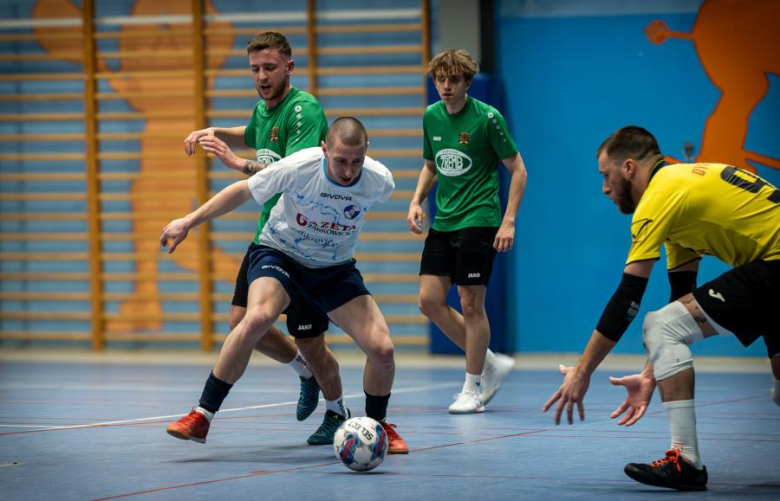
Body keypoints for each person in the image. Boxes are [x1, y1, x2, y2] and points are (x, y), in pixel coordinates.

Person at [543, 126, 780, 491]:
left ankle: (684, 461)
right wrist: (652, 372)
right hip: (771, 261)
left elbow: (629, 297)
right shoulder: (679, 193)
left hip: (775, 263)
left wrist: (582, 371)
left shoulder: (659, 197)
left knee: (660, 324)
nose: (604, 188)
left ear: (628, 167)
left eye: (605, 175)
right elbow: (681, 299)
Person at [161, 117, 409, 454]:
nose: (349, 172)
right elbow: (241, 191)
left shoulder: (379, 180)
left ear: (366, 154)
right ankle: (202, 413)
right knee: (257, 317)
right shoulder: (300, 166)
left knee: (382, 350)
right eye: (340, 161)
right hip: (281, 253)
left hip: (334, 269)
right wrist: (189, 221)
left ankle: (377, 426)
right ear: (325, 149)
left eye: (356, 162)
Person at [167, 31, 346, 445]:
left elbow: (292, 173)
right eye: (255, 69)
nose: (262, 76)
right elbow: (253, 133)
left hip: (308, 240)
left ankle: (337, 409)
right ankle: (214, 409)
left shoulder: (304, 111)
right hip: (272, 236)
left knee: (310, 340)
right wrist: (215, 130)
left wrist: (235, 163)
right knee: (244, 321)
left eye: (269, 67)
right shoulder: (265, 111)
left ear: (289, 67)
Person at [407, 49, 528, 414]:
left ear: (467, 83)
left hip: (480, 219)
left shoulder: (488, 119)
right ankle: (488, 361)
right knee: (429, 301)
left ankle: (473, 388)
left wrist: (508, 221)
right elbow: (432, 165)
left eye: (453, 80)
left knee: (470, 303)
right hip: (444, 221)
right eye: (440, 80)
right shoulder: (431, 116)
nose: (445, 86)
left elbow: (519, 170)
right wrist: (416, 201)